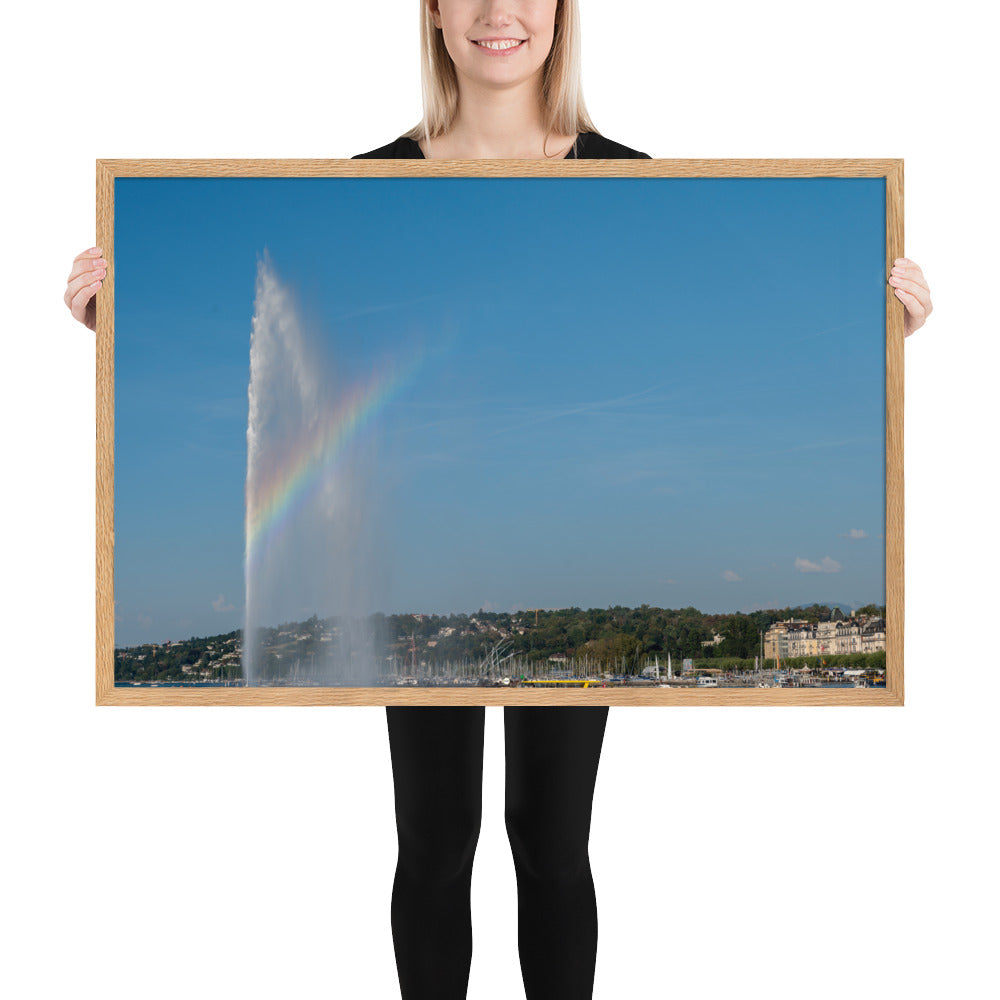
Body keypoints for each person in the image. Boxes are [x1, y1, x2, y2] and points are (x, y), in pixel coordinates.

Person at [63, 2, 934, 998]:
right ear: (430, 13)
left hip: (562, 562)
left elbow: (730, 357)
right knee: (434, 844)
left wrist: (880, 340)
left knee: (551, 843)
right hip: (421, 572)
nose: (496, 12)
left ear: (563, 14)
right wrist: (113, 330)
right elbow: (286, 387)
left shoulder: (632, 186)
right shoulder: (362, 188)